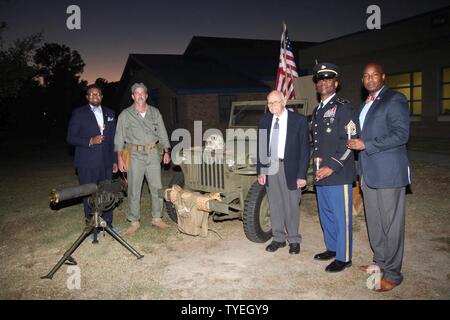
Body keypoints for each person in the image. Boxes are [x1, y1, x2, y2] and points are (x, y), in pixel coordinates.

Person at [347, 63, 411, 292]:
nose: (370, 79)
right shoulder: (366, 104)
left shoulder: (394, 99)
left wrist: (367, 144)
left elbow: (401, 134)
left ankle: (393, 274)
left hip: (389, 172)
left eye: (375, 75)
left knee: (391, 224)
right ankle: (380, 263)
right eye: (366, 76)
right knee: (374, 222)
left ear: (383, 77)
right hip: (369, 172)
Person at [310, 63, 357, 272]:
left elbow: (350, 142)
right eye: (320, 80)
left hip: (338, 173)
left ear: (336, 83)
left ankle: (344, 257)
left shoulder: (344, 107)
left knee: (341, 216)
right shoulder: (317, 110)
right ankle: (332, 248)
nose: (323, 83)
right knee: (326, 213)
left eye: (328, 79)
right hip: (321, 173)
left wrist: (331, 167)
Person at [257, 90, 310, 254]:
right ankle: (278, 238)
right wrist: (261, 171)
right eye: (269, 103)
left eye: (275, 102)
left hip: (291, 168)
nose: (271, 106)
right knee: (275, 204)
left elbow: (305, 150)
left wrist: (302, 175)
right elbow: (261, 147)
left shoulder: (299, 120)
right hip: (271, 167)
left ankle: (294, 239)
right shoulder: (265, 120)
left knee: (291, 205)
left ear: (284, 101)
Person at [115, 83, 171, 235]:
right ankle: (134, 221)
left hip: (153, 153)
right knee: (134, 188)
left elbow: (162, 132)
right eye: (136, 93)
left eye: (142, 93)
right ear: (133, 96)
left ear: (146, 96)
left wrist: (166, 151)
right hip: (135, 155)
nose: (140, 96)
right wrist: (119, 159)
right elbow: (119, 138)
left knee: (157, 187)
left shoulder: (155, 112)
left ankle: (157, 218)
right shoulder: (125, 115)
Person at [67, 84, 118, 232]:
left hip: (106, 161)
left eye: (98, 94)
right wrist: (90, 141)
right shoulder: (79, 113)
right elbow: (70, 138)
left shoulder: (110, 113)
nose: (95, 96)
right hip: (87, 163)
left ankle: (108, 223)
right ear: (87, 97)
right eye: (91, 94)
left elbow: (113, 139)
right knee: (89, 194)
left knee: (107, 192)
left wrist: (114, 160)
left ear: (102, 96)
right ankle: (92, 227)